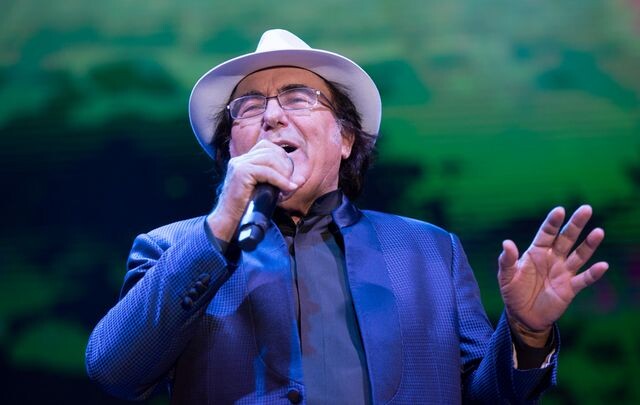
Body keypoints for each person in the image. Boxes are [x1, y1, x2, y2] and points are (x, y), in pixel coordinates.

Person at [85, 29, 609, 404]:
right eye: (249, 108)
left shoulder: (429, 251)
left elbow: (484, 396)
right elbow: (114, 370)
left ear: (345, 139)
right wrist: (222, 223)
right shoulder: (170, 248)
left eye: (298, 98)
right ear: (230, 150)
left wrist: (525, 334)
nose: (272, 116)